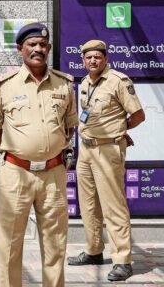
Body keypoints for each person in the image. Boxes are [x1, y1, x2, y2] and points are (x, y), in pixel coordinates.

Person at [0, 22, 77, 287]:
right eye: (32, 44)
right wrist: (21, 154)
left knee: (55, 243)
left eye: (43, 45)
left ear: (49, 48)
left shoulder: (64, 84)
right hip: (16, 173)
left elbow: (69, 127)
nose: (38, 49)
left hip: (54, 174)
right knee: (9, 243)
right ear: (20, 49)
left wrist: (50, 151)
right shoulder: (4, 85)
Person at [67, 40, 146, 282]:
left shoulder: (118, 81)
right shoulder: (84, 83)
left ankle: (122, 260)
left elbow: (138, 115)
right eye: (88, 57)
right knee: (88, 204)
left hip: (108, 151)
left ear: (105, 59)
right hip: (86, 151)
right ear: (83, 60)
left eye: (97, 57)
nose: (93, 61)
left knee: (114, 205)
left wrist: (120, 131)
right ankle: (93, 251)